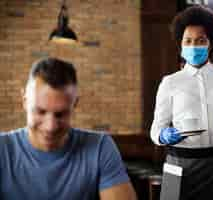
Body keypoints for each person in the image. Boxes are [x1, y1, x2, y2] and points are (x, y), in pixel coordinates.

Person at [150, 5, 213, 200]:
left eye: (200, 40)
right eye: (188, 41)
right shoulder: (169, 82)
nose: (193, 46)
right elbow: (155, 130)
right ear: (180, 44)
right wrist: (164, 135)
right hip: (177, 164)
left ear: (210, 43)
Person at [0, 57, 137, 200]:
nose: (50, 127)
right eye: (40, 111)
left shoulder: (100, 147)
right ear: (24, 101)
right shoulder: (2, 149)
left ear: (74, 104)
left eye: (60, 114)